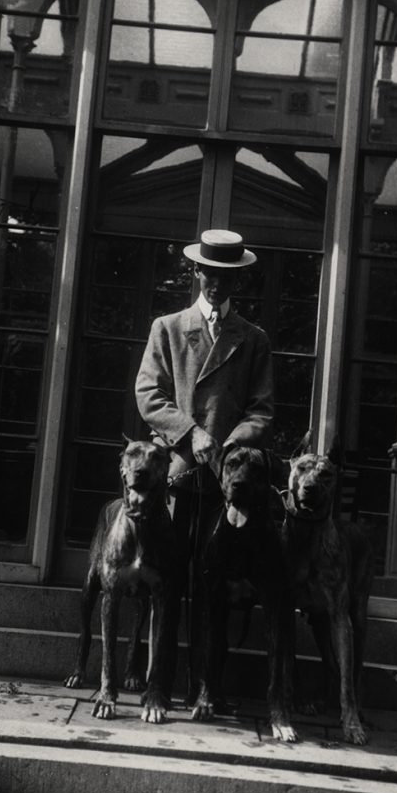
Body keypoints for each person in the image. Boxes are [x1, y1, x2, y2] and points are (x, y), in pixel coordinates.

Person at [135, 228, 274, 703]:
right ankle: (158, 690)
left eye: (227, 276)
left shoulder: (253, 339)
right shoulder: (168, 328)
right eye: (209, 274)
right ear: (196, 272)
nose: (217, 284)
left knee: (211, 589)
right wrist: (190, 433)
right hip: (178, 476)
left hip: (224, 483)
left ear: (239, 280)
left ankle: (205, 691)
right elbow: (149, 395)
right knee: (169, 583)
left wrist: (228, 447)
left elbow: (262, 409)